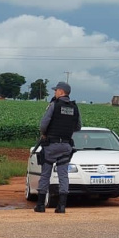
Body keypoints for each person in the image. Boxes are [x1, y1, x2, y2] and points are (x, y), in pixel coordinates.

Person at [34, 81, 81, 213]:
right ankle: (61, 206)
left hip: (51, 145)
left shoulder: (54, 105)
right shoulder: (74, 107)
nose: (54, 92)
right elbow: (78, 127)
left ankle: (40, 206)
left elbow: (44, 124)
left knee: (45, 175)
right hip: (66, 146)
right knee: (63, 176)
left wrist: (44, 134)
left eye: (56, 90)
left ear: (61, 92)